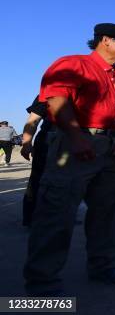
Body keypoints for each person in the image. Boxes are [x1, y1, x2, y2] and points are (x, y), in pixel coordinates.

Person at [23, 23, 115, 296]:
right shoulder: (73, 64)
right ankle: (42, 280)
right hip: (76, 143)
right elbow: (56, 98)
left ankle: (102, 265)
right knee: (57, 210)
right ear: (105, 40)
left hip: (109, 150)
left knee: (106, 210)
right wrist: (75, 136)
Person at [20, 96, 53, 227]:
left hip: (75, 143)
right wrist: (27, 143)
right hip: (49, 139)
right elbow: (33, 120)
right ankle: (30, 218)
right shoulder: (49, 91)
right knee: (38, 180)